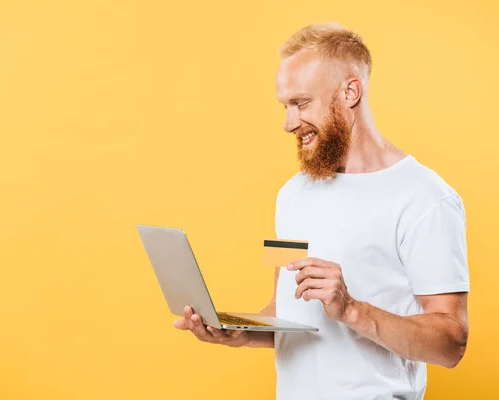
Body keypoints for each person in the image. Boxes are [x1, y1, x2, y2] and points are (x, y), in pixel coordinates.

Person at [173, 22, 469, 399]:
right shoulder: (292, 194)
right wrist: (240, 332)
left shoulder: (427, 198)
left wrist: (351, 310)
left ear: (350, 91)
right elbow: (285, 306)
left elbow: (451, 344)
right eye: (285, 106)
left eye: (301, 103)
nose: (288, 123)